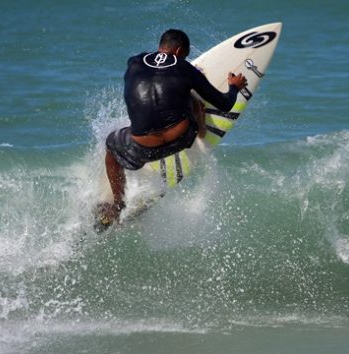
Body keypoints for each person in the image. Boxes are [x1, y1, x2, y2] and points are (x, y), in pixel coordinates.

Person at [100, 29, 248, 227]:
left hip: (141, 146)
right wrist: (234, 87)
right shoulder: (185, 68)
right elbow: (224, 104)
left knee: (112, 149)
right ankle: (201, 128)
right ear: (179, 51)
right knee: (192, 96)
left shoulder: (134, 62)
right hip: (181, 138)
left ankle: (118, 205)